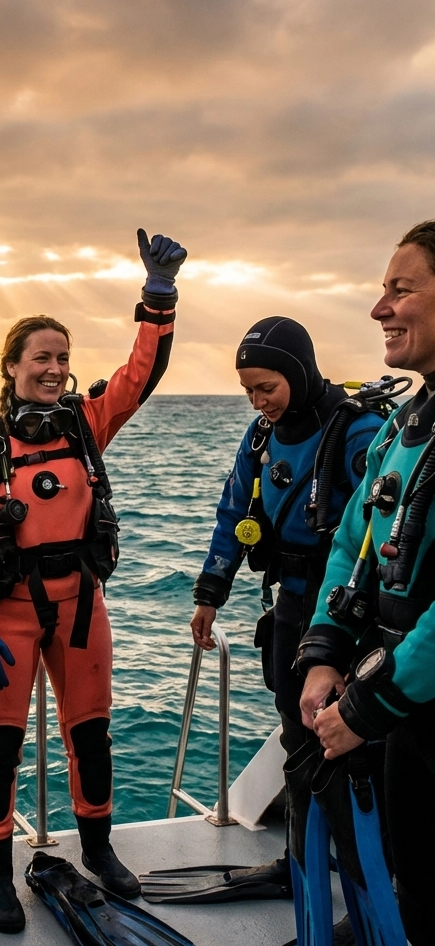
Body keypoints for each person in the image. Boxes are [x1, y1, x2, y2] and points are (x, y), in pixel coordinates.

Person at [0, 229, 185, 933]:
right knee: (1, 743)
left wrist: (158, 296)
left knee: (92, 733)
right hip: (7, 611)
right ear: (11, 365)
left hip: (79, 605)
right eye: (41, 357)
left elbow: (140, 375)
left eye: (63, 358)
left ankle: (100, 851)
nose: (54, 368)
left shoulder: (83, 422)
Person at [151, 318, 384, 906]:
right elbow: (234, 513)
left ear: (299, 374)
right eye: (249, 390)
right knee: (295, 731)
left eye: (268, 388)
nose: (259, 402)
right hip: (290, 603)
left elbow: (383, 530)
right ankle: (300, 863)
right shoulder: (260, 437)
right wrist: (210, 592)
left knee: (353, 743)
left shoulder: (358, 431)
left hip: (348, 614)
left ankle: (370, 887)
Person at [299, 220, 435, 946]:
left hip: (404, 700)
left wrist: (371, 700)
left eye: (401, 288)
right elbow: (354, 544)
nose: (379, 308)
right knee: (417, 891)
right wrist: (323, 652)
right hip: (405, 717)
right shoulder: (400, 431)